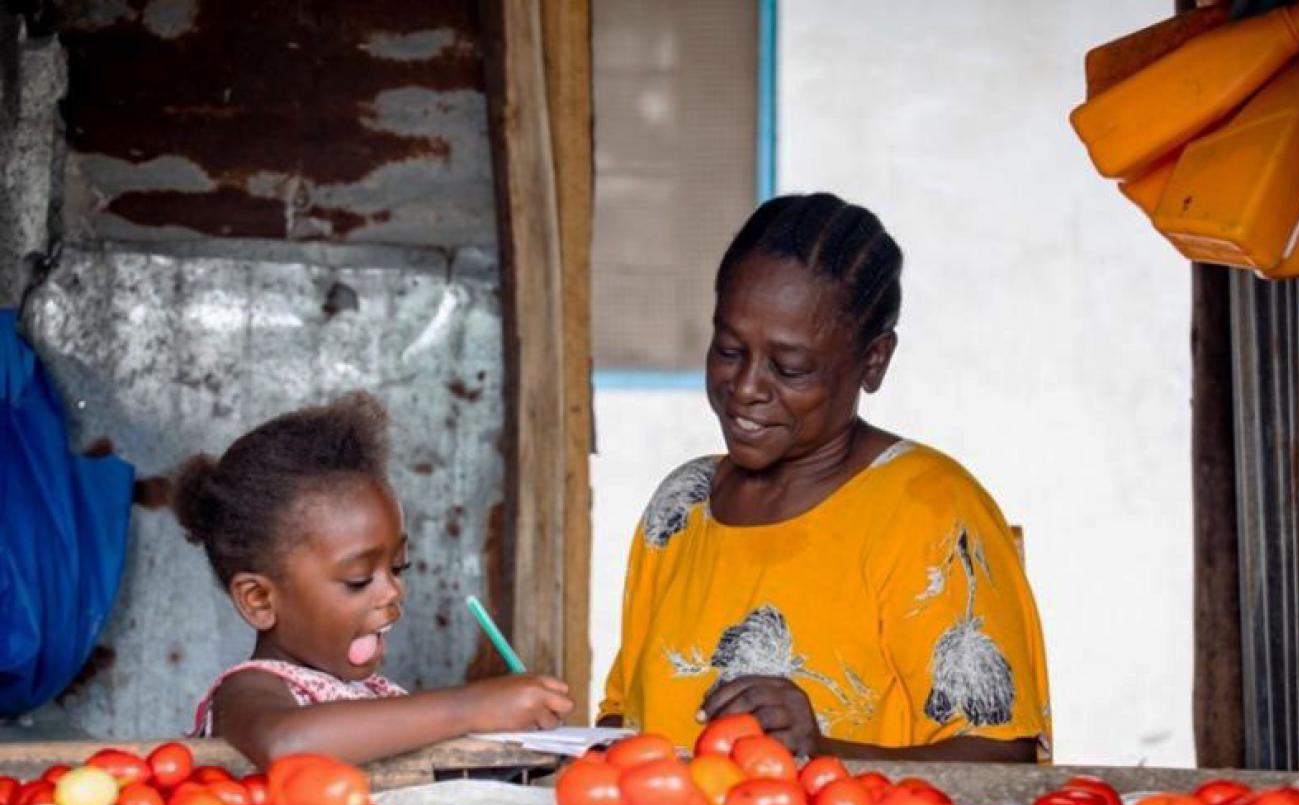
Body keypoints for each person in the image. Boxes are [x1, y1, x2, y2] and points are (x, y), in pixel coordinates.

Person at [598, 193, 1050, 762]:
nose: (746, 388)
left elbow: (1004, 761)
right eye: (730, 350)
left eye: (790, 368)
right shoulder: (681, 507)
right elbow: (624, 712)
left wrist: (822, 752)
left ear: (873, 361)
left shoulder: (928, 511)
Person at [174, 392, 572, 767]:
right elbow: (287, 745)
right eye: (359, 579)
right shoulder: (250, 690)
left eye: (397, 567)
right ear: (259, 599)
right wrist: (469, 707)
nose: (393, 590)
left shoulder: (374, 696)